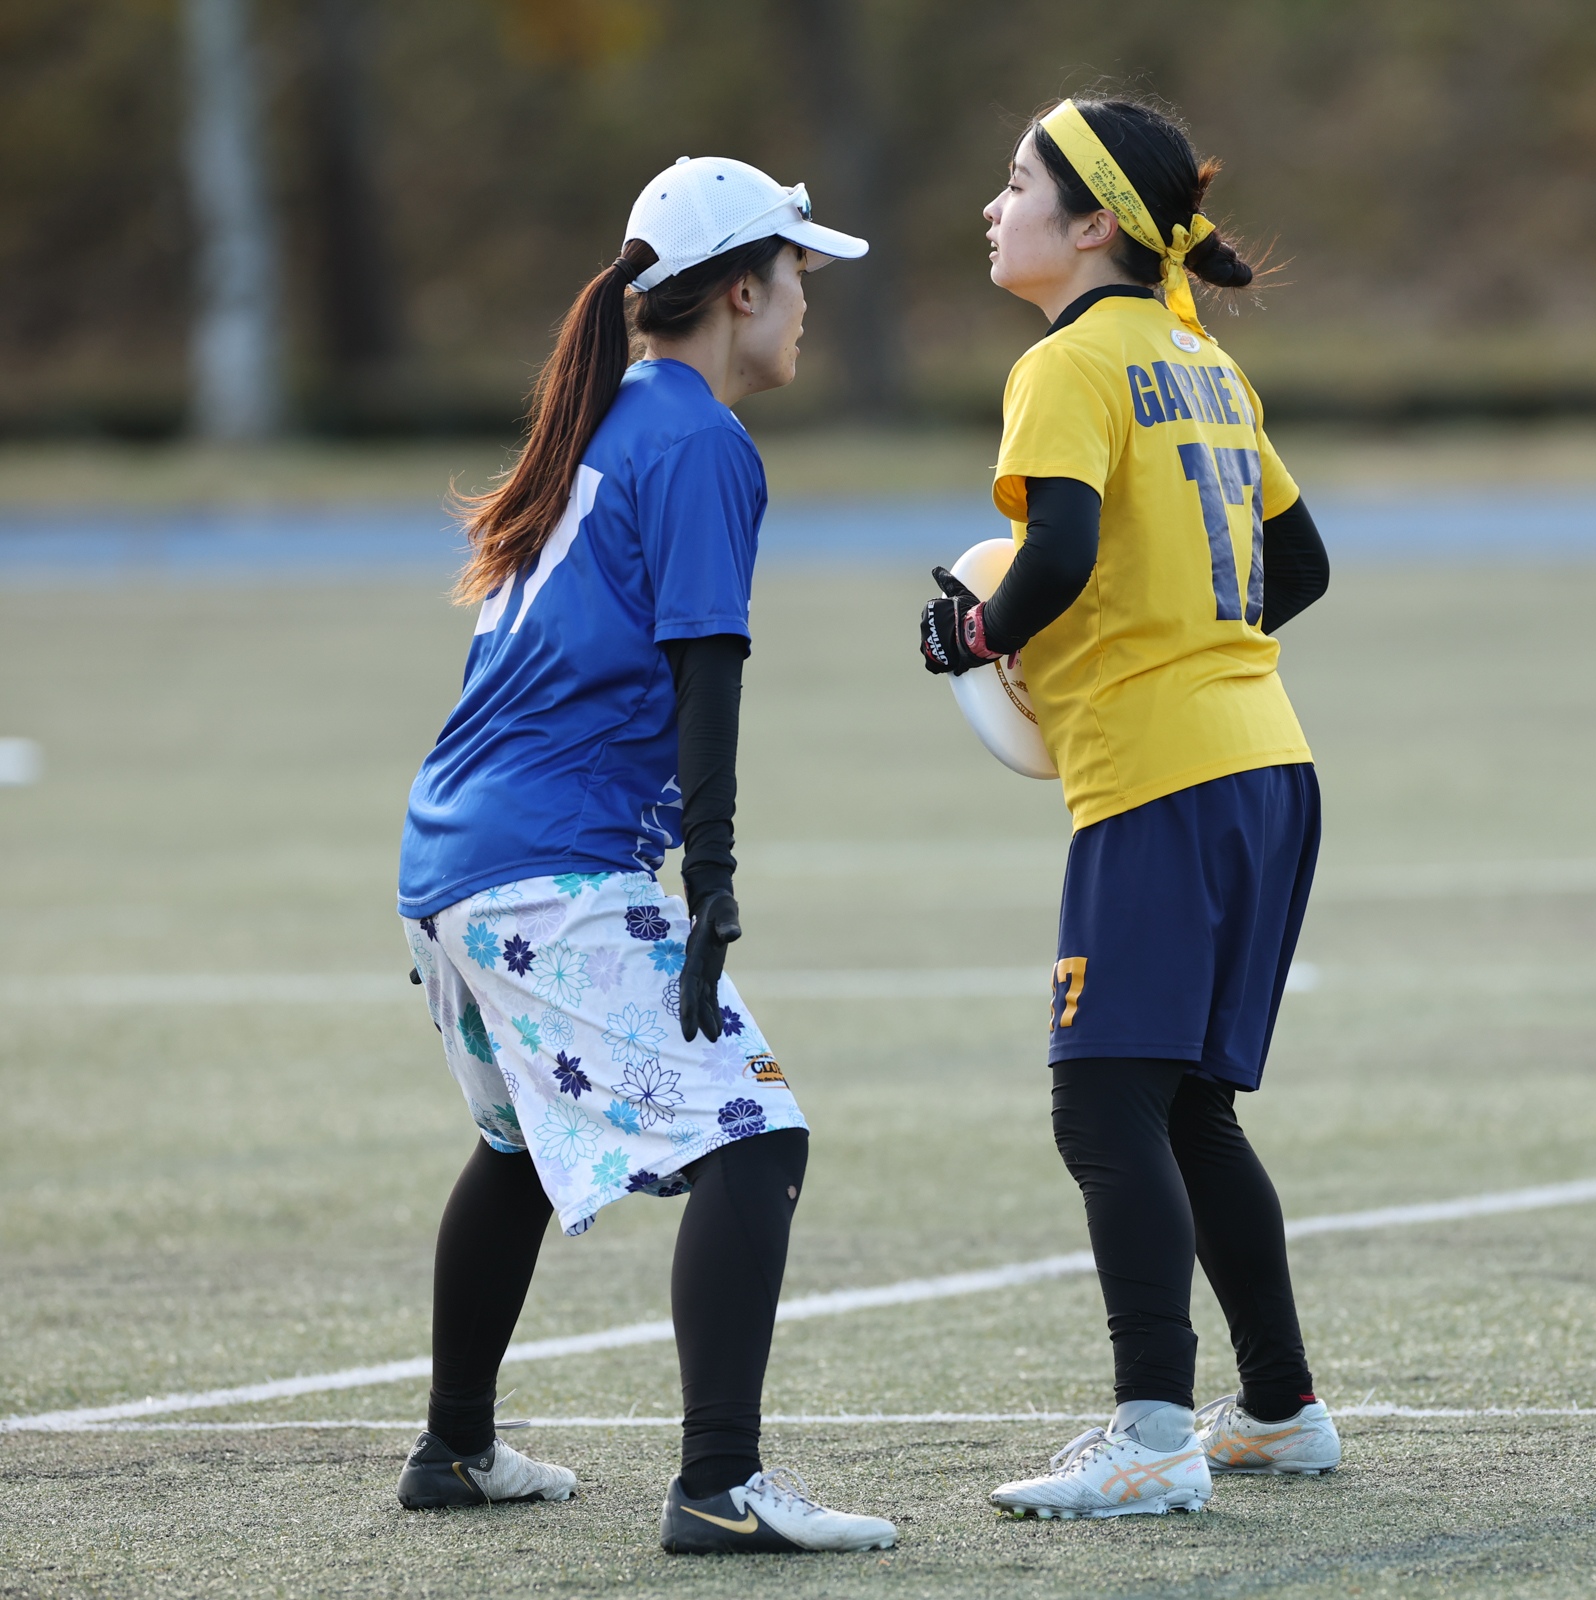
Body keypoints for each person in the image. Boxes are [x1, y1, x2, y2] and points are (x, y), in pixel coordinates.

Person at [394, 156, 897, 1555]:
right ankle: (720, 1486)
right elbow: (705, 667)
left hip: (450, 862)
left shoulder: (606, 421)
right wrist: (715, 878)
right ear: (740, 291)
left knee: (517, 1143)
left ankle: (456, 1448)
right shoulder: (696, 440)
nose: (807, 299)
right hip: (546, 867)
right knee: (756, 1135)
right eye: (796, 273)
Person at [919, 96, 1338, 1520]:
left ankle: (1154, 1435)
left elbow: (1057, 555)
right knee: (1189, 1112)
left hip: (1163, 781)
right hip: (1269, 760)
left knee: (1104, 1108)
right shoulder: (1201, 360)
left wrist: (972, 637)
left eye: (1015, 182)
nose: (994, 207)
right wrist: (1183, 648)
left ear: (1093, 221)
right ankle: (1277, 1409)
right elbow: (1300, 566)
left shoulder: (1068, 360)